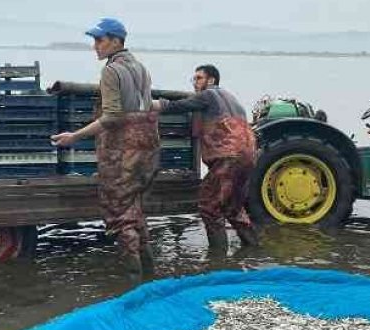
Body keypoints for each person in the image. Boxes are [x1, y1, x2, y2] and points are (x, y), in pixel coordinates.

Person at [51, 18, 159, 280]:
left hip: (122, 153)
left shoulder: (111, 71)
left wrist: (74, 136)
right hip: (148, 151)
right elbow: (147, 107)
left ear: (115, 40)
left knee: (120, 217)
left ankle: (133, 283)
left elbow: (112, 117)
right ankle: (150, 278)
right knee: (134, 210)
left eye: (99, 40)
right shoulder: (141, 68)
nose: (95, 46)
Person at [152, 64, 258, 255]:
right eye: (194, 79)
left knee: (209, 206)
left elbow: (179, 105)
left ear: (211, 80)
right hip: (248, 158)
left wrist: (155, 105)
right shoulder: (232, 99)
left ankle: (218, 260)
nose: (195, 83)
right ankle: (253, 250)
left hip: (228, 158)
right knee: (233, 208)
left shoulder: (209, 94)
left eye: (198, 78)